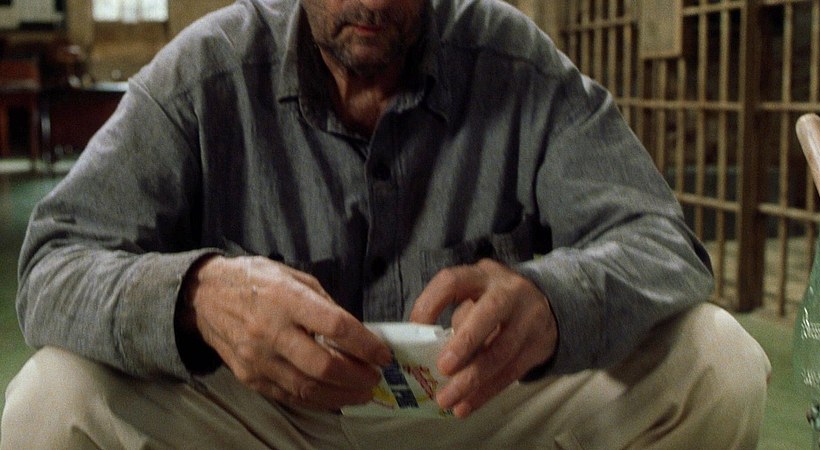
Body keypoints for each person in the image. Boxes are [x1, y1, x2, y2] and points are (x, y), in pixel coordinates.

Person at [1, 0, 770, 448]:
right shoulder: (205, 72)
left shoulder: (515, 65)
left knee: (714, 361)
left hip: (474, 408)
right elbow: (53, 264)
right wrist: (198, 295)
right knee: (52, 403)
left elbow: (662, 241)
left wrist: (551, 299)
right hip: (265, 421)